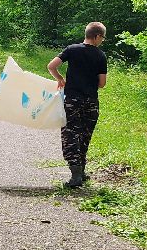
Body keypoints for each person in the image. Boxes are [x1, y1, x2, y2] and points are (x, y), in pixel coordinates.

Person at [47, 22, 109, 189]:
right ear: (96, 36)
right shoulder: (101, 56)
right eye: (102, 37)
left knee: (70, 135)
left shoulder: (72, 49)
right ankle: (81, 171)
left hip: (72, 100)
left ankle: (76, 174)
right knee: (84, 135)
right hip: (91, 102)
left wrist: (60, 78)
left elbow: (51, 66)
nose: (102, 41)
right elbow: (102, 84)